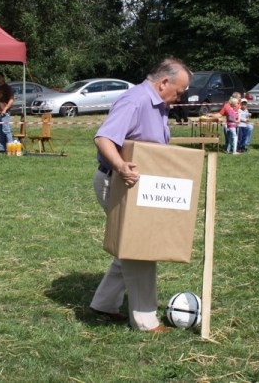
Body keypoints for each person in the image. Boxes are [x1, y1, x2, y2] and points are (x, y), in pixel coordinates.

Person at [90, 57, 191, 333]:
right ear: (164, 83)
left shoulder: (157, 104)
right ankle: (146, 322)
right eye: (178, 91)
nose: (178, 98)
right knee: (141, 248)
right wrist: (121, 166)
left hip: (136, 186)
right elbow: (104, 138)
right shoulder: (135, 101)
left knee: (131, 245)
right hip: (119, 182)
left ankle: (104, 303)